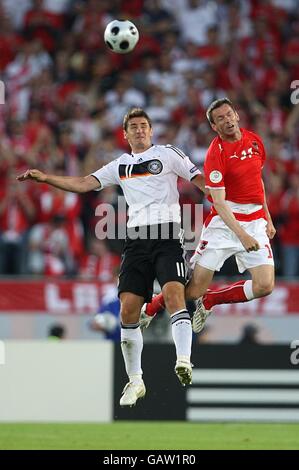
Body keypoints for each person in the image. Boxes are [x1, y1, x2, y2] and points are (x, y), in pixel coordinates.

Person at [17, 107, 206, 407]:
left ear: (151, 130)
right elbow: (83, 183)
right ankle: (135, 380)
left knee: (174, 295)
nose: (141, 130)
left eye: (145, 125)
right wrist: (45, 178)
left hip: (168, 236)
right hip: (136, 241)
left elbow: (200, 180)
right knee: (128, 311)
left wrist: (224, 198)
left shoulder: (169, 154)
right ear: (125, 134)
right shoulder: (120, 166)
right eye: (134, 126)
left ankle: (183, 360)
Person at [141, 98, 276, 335]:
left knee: (265, 285)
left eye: (229, 114)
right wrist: (242, 235)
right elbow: (219, 202)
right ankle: (152, 306)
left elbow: (258, 181)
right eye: (220, 118)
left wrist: (268, 217)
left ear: (237, 115)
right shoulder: (216, 153)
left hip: (255, 221)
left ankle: (212, 300)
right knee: (193, 291)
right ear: (214, 126)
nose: (227, 120)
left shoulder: (255, 141)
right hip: (224, 224)